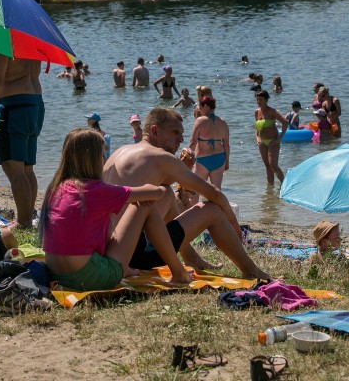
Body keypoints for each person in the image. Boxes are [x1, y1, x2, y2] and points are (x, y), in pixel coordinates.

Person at [104, 107, 270, 280]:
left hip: (112, 249)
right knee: (213, 210)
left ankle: (191, 258)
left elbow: (153, 183)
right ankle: (252, 271)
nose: (181, 139)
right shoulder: (161, 157)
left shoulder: (119, 152)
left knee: (166, 193)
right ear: (154, 131)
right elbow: (214, 193)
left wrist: (182, 168)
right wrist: (234, 224)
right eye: (175, 132)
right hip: (138, 255)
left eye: (182, 133)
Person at [39, 128, 193, 289]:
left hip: (55, 274)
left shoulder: (56, 189)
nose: (104, 159)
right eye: (102, 154)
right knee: (145, 205)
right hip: (88, 278)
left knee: (104, 216)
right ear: (93, 159)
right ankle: (179, 272)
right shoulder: (96, 190)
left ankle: (126, 268)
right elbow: (155, 193)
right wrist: (165, 182)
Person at [0, 54, 43, 229]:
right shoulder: (31, 35)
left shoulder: (2, 37)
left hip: (13, 105)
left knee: (13, 168)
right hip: (35, 102)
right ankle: (28, 217)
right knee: (27, 168)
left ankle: (24, 222)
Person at [189, 96, 230, 189]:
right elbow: (226, 145)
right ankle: (218, 204)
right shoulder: (223, 122)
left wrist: (187, 159)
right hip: (220, 159)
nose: (198, 109)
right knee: (216, 192)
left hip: (202, 160)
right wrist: (227, 161)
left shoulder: (200, 121)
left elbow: (193, 142)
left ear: (206, 106)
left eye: (200, 106)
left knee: (195, 191)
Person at [254, 90, 288, 185]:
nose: (258, 101)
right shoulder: (257, 112)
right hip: (262, 142)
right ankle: (270, 189)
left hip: (273, 141)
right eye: (257, 99)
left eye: (260, 99)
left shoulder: (272, 111)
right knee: (267, 166)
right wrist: (257, 137)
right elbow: (256, 126)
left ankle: (284, 184)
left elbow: (285, 123)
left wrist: (279, 139)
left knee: (273, 165)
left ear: (266, 99)